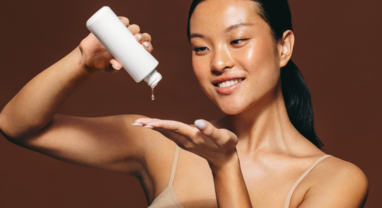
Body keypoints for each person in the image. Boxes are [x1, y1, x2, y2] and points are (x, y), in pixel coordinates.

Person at [0, 0, 368, 207]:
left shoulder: (334, 181)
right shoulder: (162, 146)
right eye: (200, 47)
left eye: (237, 40)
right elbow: (18, 126)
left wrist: (225, 168)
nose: (218, 62)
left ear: (283, 46)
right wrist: (81, 61)